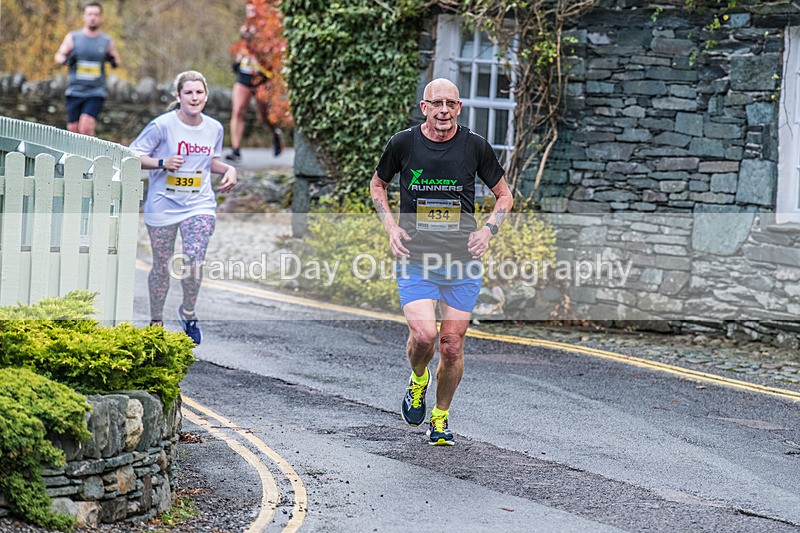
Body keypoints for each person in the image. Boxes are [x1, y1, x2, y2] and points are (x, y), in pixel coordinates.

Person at [370, 78, 514, 446]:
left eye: (451, 104)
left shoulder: (474, 146)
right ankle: (418, 379)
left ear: (459, 108)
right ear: (424, 107)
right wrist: (389, 225)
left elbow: (504, 196)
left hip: (462, 263)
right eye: (437, 104)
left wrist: (487, 232)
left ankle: (440, 416)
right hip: (416, 259)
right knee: (424, 336)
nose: (444, 111)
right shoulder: (402, 143)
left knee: (451, 344)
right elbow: (377, 185)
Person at [129, 71, 237, 345]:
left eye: (199, 92)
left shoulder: (214, 128)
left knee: (194, 261)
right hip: (163, 204)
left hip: (198, 204)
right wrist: (162, 162)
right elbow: (133, 155)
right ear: (178, 96)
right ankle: (155, 322)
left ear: (206, 96)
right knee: (161, 266)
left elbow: (210, 162)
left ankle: (188, 311)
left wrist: (229, 169)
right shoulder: (162, 126)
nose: (194, 97)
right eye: (188, 92)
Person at [225, 1, 284, 162]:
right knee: (238, 110)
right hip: (244, 75)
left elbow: (271, 51)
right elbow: (242, 48)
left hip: (263, 77)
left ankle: (275, 133)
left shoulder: (268, 27)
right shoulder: (245, 27)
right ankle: (235, 150)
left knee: (263, 116)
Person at [54, 1, 121, 136]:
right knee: (73, 128)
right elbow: (58, 55)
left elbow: (117, 60)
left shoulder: (106, 41)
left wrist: (113, 60)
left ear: (101, 17)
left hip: (95, 92)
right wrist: (66, 60)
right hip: (75, 91)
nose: (92, 18)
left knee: (86, 127)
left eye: (96, 14)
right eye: (89, 14)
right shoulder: (73, 37)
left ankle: (89, 156)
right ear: (84, 16)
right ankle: (74, 156)